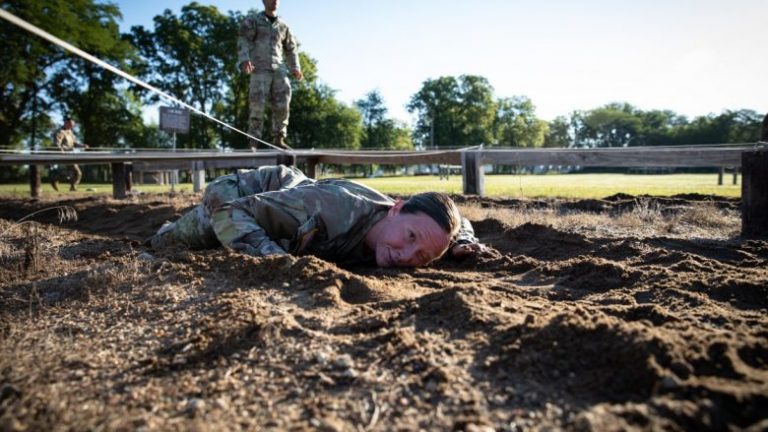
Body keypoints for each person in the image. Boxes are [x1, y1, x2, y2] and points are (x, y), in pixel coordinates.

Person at [150, 165, 484, 267]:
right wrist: (273, 258)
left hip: (294, 197)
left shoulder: (426, 233)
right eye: (410, 238)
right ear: (396, 208)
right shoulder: (334, 208)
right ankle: (168, 227)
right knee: (188, 237)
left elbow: (455, 224)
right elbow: (232, 211)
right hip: (240, 192)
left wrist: (463, 241)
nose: (407, 256)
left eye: (422, 257)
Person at [238, 0, 303, 150]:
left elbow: (291, 48)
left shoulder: (283, 26)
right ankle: (253, 141)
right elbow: (243, 40)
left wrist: (295, 67)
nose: (274, 1)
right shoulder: (253, 21)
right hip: (259, 68)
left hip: (279, 69)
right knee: (257, 105)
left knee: (283, 102)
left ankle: (279, 138)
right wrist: (244, 59)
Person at [50, 117, 88, 191]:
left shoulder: (70, 132)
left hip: (70, 155)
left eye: (73, 125)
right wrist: (62, 154)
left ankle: (72, 187)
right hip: (62, 156)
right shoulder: (60, 132)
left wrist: (82, 145)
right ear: (65, 123)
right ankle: (54, 179)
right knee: (75, 172)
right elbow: (57, 144)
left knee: (76, 173)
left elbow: (74, 143)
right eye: (70, 124)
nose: (72, 126)